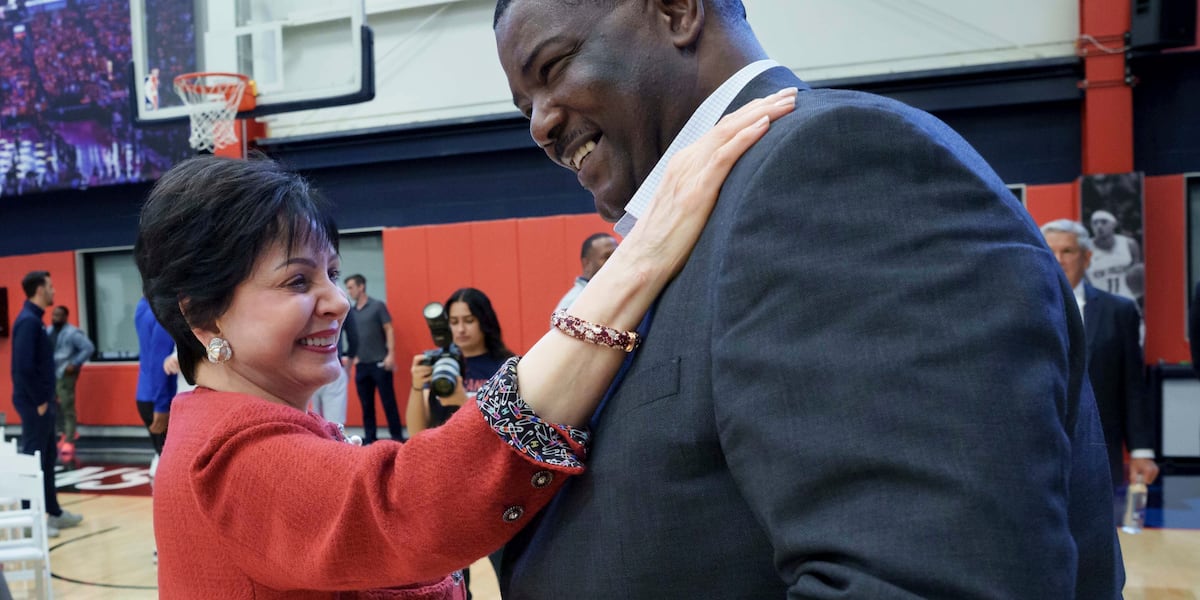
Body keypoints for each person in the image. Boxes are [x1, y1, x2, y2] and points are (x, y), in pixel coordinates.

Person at [492, 1, 1121, 598]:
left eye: (553, 69)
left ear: (678, 10)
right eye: (525, 108)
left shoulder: (834, 169)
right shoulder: (708, 221)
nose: (541, 125)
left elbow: (926, 577)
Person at [134, 95, 791, 599]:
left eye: (332, 273)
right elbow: (403, 503)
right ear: (204, 318)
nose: (335, 300)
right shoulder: (224, 455)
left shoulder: (236, 428)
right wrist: (639, 261)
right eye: (297, 281)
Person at [1043, 220, 1158, 494]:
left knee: (1103, 533)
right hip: (1037, 450)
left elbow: (1132, 386)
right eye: (1050, 252)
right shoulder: (1019, 311)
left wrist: (1141, 449)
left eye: (1068, 251)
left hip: (1099, 450)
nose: (1059, 260)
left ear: (1087, 257)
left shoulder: (1119, 312)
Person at [10, 271, 83, 537]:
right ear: (40, 290)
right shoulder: (28, 322)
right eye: (50, 287)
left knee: (49, 457)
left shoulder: (36, 321)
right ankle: (31, 518)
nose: (54, 291)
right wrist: (40, 400)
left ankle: (53, 512)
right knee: (34, 459)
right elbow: (23, 368)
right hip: (34, 405)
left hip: (43, 402)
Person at [408, 288, 515, 435]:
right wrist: (416, 387)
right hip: (442, 451)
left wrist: (463, 401)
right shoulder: (440, 363)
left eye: (469, 321)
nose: (460, 329)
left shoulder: (506, 366)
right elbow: (415, 432)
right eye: (453, 322)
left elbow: (510, 431)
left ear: (485, 321)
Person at [343, 273, 405, 443]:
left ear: (361, 287)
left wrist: (391, 354)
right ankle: (369, 440)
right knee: (366, 406)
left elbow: (389, 329)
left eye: (350, 287)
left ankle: (398, 439)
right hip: (362, 366)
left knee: (388, 403)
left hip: (380, 364)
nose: (348, 291)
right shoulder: (352, 312)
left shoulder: (377, 306)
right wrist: (352, 357)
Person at [47, 305, 94, 450]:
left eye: (59, 315)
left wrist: (74, 363)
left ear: (65, 317)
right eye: (54, 315)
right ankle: (65, 433)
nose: (56, 318)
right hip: (52, 372)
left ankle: (69, 439)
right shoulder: (48, 331)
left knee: (67, 404)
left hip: (66, 373)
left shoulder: (73, 333)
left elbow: (89, 348)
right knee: (54, 405)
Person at [135, 296, 175, 457]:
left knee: (163, 458)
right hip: (160, 398)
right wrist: (161, 405)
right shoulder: (162, 312)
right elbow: (159, 360)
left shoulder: (142, 306)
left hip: (146, 394)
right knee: (169, 461)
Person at [310, 301, 358, 425]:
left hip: (307, 370)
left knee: (313, 423)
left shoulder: (303, 302)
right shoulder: (341, 303)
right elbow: (354, 339)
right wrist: (347, 368)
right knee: (335, 423)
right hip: (333, 368)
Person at [1088, 209, 1143, 300]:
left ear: (1114, 224)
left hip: (1127, 300)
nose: (1099, 226)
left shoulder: (1130, 244)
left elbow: (1137, 274)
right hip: (1099, 302)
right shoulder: (1084, 248)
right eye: (1095, 223)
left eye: (1104, 222)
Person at [555, 233, 618, 311]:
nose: (614, 260)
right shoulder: (572, 303)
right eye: (606, 257)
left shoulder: (618, 291)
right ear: (587, 263)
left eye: (617, 254)